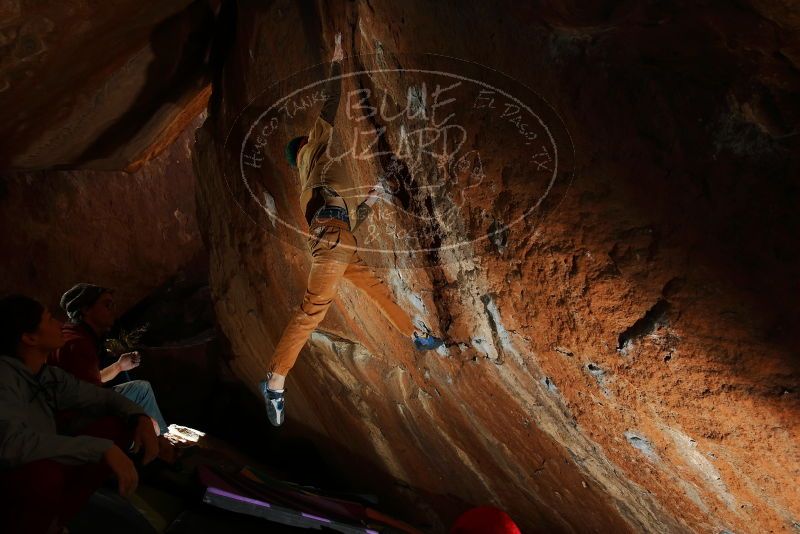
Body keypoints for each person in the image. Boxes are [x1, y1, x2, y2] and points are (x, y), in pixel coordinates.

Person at [260, 33, 445, 427]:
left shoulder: (319, 178)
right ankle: (275, 380)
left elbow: (349, 216)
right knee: (311, 311)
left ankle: (415, 333)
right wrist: (338, 62)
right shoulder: (313, 151)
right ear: (306, 146)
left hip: (341, 240)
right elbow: (330, 105)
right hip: (331, 243)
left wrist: (374, 198)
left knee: (376, 288)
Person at [0, 294, 158, 534]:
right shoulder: (5, 377)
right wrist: (100, 448)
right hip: (14, 480)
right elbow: (11, 444)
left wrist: (140, 418)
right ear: (29, 337)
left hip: (41, 465)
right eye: (50, 319)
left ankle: (54, 521)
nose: (60, 324)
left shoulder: (46, 376)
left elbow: (100, 396)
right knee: (43, 475)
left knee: (117, 424)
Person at [52, 283, 169, 438]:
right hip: (75, 418)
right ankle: (161, 441)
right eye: (107, 305)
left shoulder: (79, 335)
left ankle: (162, 438)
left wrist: (119, 366)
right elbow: (90, 398)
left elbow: (87, 382)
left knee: (141, 388)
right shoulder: (77, 343)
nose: (112, 311)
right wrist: (139, 418)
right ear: (86, 310)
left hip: (79, 404)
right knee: (142, 403)